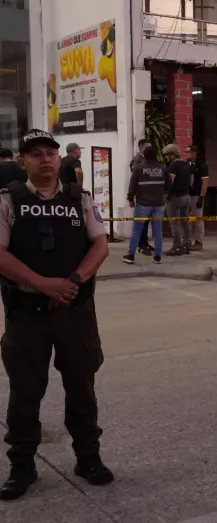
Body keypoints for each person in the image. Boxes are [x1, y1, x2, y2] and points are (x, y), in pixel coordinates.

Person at [0, 130, 113, 501]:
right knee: (25, 393)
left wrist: (74, 280)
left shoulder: (79, 199)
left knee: (81, 387)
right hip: (27, 313)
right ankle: (22, 466)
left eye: (51, 153)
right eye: (35, 154)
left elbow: (100, 244)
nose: (45, 159)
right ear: (22, 163)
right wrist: (42, 283)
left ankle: (88, 457)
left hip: (75, 311)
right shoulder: (7, 201)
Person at [123, 145, 169, 264]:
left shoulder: (139, 168)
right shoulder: (163, 169)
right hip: (159, 204)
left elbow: (132, 185)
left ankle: (130, 255)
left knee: (136, 230)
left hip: (143, 204)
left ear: (145, 155)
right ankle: (157, 256)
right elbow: (169, 187)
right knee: (157, 231)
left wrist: (130, 199)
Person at [162, 144, 192, 256]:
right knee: (185, 222)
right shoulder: (186, 164)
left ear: (172, 154)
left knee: (174, 223)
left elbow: (170, 181)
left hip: (175, 198)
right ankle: (186, 244)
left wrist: (166, 195)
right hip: (186, 196)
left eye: (167, 155)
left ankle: (177, 246)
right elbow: (191, 180)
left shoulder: (173, 166)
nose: (166, 157)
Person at [130, 139, 154, 256]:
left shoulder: (147, 160)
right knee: (141, 223)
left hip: (149, 197)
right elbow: (136, 179)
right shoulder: (136, 161)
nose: (149, 149)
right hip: (141, 196)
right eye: (147, 147)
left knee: (147, 222)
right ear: (141, 148)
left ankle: (145, 243)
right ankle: (140, 245)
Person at [186, 145, 209, 252]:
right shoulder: (189, 165)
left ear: (194, 153)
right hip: (188, 195)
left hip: (197, 195)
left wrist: (201, 197)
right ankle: (189, 240)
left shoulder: (202, 165)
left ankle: (199, 242)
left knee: (198, 218)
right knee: (189, 220)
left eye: (188, 152)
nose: (186, 154)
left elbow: (205, 183)